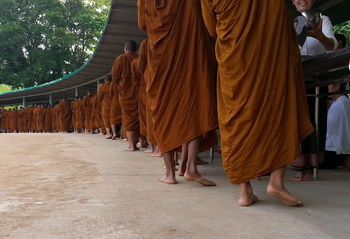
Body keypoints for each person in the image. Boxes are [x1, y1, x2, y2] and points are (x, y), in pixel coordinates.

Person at [201, 0, 313, 205]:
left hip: (234, 60)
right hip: (271, 54)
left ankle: (245, 191)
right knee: (280, 107)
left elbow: (211, 28)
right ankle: (276, 182)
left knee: (236, 119)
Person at [138, 0, 217, 186]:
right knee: (192, 108)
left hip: (161, 64)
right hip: (188, 57)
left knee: (165, 115)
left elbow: (142, 25)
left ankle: (169, 174)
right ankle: (190, 168)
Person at [291, 0, 338, 181]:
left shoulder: (322, 19)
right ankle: (298, 164)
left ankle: (311, 167)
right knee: (294, 117)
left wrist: (319, 36)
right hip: (292, 74)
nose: (302, 0)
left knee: (314, 117)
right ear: (293, 2)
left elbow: (331, 47)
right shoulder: (288, 21)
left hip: (315, 75)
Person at [112, 40, 140, 151]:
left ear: (125, 48)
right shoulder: (139, 58)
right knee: (139, 118)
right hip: (139, 92)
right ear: (136, 49)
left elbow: (115, 77)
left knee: (128, 118)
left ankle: (131, 145)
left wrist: (119, 87)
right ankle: (141, 142)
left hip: (125, 93)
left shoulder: (121, 59)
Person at [321, 83, 350, 169]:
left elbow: (334, 129)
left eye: (329, 85)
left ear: (337, 86)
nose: (327, 88)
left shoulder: (341, 103)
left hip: (336, 150)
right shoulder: (337, 102)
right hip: (336, 148)